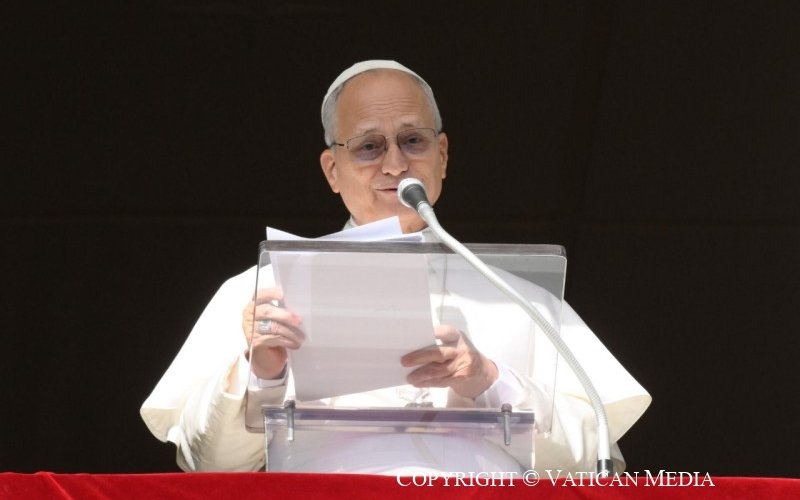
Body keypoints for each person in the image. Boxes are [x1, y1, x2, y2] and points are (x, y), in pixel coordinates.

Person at [141, 60, 651, 473]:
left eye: (413, 141)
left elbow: (595, 462)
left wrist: (488, 380)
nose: (394, 165)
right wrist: (262, 374)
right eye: (368, 146)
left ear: (443, 155)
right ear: (332, 171)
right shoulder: (260, 290)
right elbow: (204, 464)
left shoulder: (516, 294)